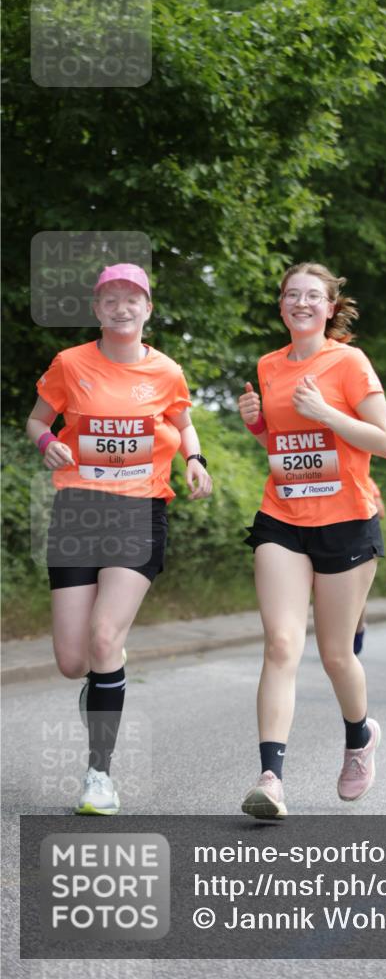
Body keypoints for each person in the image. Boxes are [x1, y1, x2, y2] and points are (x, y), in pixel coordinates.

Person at [26, 263, 212, 815]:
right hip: (78, 512)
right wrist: (47, 444)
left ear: (148, 308)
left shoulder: (167, 371)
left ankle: (99, 776)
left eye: (132, 299)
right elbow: (37, 421)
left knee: (104, 638)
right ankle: (104, 668)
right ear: (97, 309)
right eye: (110, 299)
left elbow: (183, 423)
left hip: (138, 511)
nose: (122, 308)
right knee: (72, 661)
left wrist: (195, 459)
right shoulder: (70, 363)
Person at [238, 262, 386, 819]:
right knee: (282, 644)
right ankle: (270, 780)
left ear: (330, 308)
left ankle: (359, 737)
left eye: (312, 296)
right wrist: (259, 425)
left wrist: (326, 412)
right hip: (282, 516)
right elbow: (285, 446)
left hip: (346, 521)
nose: (300, 303)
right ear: (281, 304)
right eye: (291, 295)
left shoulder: (349, 362)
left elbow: (384, 441)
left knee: (334, 655)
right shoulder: (268, 365)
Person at [353, 477, 385, 655]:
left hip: (362, 537)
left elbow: (381, 511)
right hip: (335, 540)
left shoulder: (367, 481)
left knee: (357, 594)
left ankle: (358, 630)